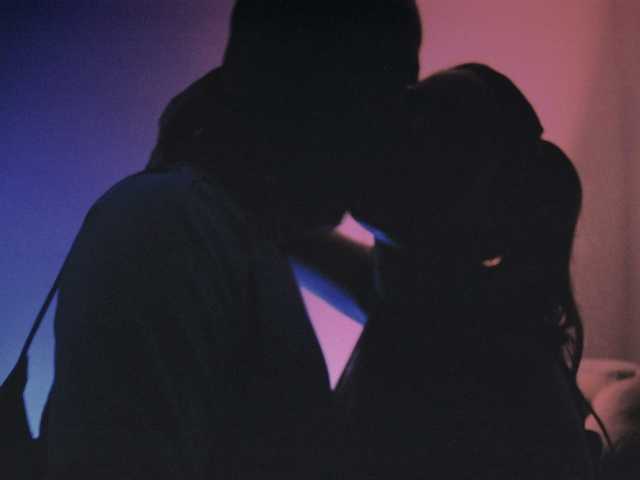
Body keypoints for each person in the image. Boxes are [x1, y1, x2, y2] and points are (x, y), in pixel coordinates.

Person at [43, 2, 422, 479]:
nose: (396, 134)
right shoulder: (176, 227)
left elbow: (401, 295)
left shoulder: (220, 233)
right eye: (389, 93)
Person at [322, 64, 597, 478]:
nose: (396, 124)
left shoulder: (486, 363)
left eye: (441, 135)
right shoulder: (423, 306)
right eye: (410, 101)